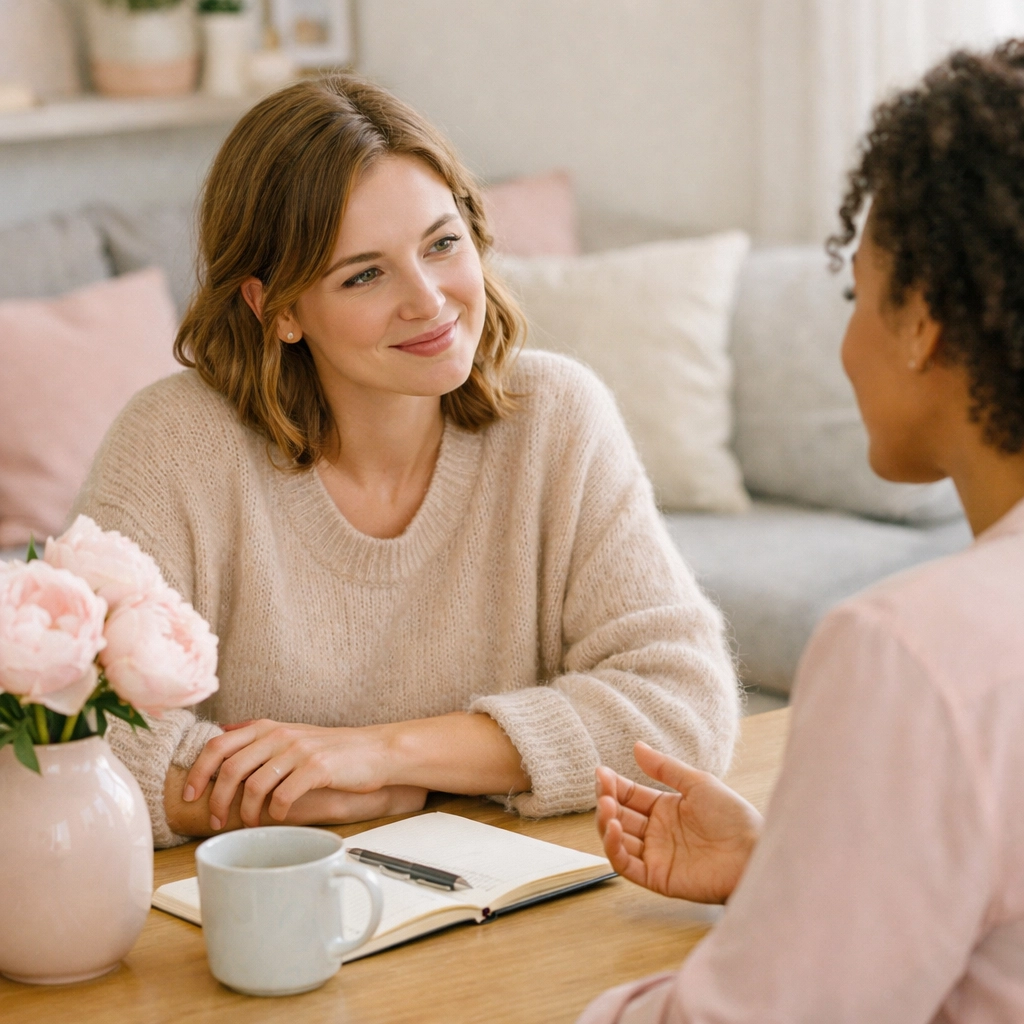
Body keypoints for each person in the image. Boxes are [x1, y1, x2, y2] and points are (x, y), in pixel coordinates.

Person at [73, 74, 739, 849]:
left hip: (508, 911)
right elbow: (68, 739)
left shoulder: (559, 417)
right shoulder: (172, 444)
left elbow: (684, 707)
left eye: (441, 244)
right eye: (364, 274)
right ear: (277, 308)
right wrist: (306, 794)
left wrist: (382, 753)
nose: (428, 301)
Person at [581, 40, 1024, 1024]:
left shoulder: (915, 650)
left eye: (855, 293)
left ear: (923, 321)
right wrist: (797, 867)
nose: (845, 343)